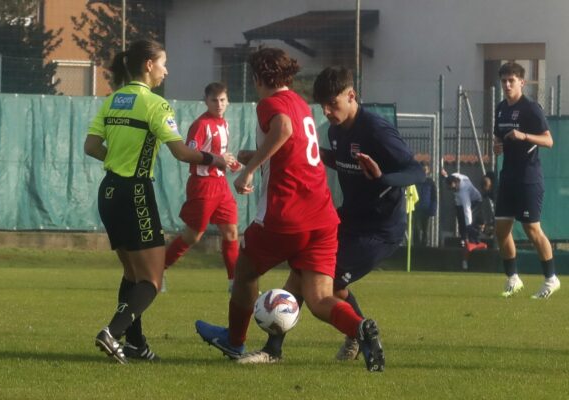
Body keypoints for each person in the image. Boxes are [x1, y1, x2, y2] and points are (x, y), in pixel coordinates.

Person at [194, 49, 385, 372]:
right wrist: (254, 154)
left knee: (245, 272)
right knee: (320, 298)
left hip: (286, 214)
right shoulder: (299, 103)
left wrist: (250, 169)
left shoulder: (270, 104)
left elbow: (282, 130)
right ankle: (360, 328)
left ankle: (234, 340)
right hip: (322, 217)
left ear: (257, 78)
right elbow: (293, 145)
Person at [235, 66, 425, 364]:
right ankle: (290, 347)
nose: (326, 111)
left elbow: (416, 170)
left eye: (332, 104)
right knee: (307, 274)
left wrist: (381, 178)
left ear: (352, 96)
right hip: (348, 219)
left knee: (319, 284)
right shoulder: (337, 130)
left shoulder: (376, 129)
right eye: (321, 105)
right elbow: (340, 159)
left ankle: (343, 340)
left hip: (379, 230)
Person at [84, 39, 231, 364]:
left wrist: (117, 160)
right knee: (152, 279)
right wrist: (215, 158)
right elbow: (181, 153)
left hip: (109, 191)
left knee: (132, 274)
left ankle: (136, 345)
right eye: (163, 63)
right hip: (135, 191)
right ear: (149, 65)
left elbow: (91, 146)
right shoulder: (155, 105)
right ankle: (112, 332)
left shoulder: (113, 101)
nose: (167, 70)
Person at [164, 82, 240, 292]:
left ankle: (235, 283)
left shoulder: (224, 124)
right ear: (206, 101)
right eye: (214, 100)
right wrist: (217, 159)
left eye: (222, 100)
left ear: (228, 101)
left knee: (231, 232)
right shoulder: (200, 125)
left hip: (221, 185)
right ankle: (157, 270)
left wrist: (234, 165)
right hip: (203, 185)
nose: (219, 104)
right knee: (193, 236)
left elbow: (221, 157)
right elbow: (191, 156)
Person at [493, 61, 560, 298]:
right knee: (501, 230)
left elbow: (549, 141)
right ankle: (513, 278)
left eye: (511, 80)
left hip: (528, 178)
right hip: (508, 177)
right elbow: (499, 138)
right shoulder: (501, 108)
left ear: (522, 82)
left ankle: (551, 279)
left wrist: (524, 136)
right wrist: (498, 146)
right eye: (504, 81)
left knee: (532, 229)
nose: (507, 85)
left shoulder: (531, 108)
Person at [442, 169, 487, 269]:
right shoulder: (453, 177)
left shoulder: (464, 191)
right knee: (464, 233)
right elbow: (448, 177)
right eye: (451, 189)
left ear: (457, 183)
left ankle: (475, 240)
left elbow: (467, 209)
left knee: (469, 227)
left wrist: (468, 225)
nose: (453, 190)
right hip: (460, 205)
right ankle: (466, 253)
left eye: (454, 188)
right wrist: (445, 175)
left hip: (475, 202)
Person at [413, 162, 437, 247]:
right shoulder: (415, 180)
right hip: (415, 208)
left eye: (425, 169)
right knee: (415, 227)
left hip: (426, 209)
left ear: (428, 171)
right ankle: (415, 244)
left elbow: (434, 197)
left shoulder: (430, 182)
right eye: (422, 169)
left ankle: (424, 245)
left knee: (425, 228)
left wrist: (433, 209)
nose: (423, 171)